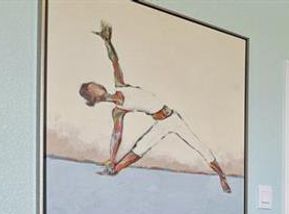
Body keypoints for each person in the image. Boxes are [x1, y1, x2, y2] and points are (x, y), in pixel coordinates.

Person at [78, 21, 232, 193]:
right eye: (92, 88)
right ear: (93, 97)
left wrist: (107, 41)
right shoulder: (118, 111)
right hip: (161, 124)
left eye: (94, 84)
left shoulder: (120, 85)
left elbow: (114, 60)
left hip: (173, 118)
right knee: (139, 149)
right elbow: (117, 135)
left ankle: (222, 176)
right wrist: (113, 158)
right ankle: (113, 170)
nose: (96, 85)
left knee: (201, 149)